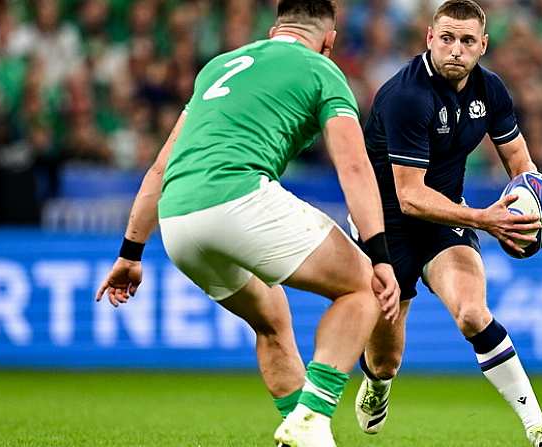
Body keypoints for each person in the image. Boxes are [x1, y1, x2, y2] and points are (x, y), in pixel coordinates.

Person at [94, 1, 400, 446]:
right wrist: (381, 254)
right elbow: (353, 168)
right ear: (329, 40)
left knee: (271, 318)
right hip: (236, 197)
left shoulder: (218, 67)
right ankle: (314, 415)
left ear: (275, 28)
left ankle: (304, 434)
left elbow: (161, 167)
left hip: (178, 220)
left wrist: (130, 252)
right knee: (362, 287)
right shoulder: (321, 69)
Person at [350, 1, 542, 446]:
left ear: (483, 45)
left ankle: (538, 428)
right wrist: (485, 219)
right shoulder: (404, 96)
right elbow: (410, 197)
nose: (457, 49)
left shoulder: (491, 91)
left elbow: (520, 162)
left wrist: (536, 203)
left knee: (473, 314)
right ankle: (377, 385)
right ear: (430, 38)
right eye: (448, 38)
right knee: (385, 361)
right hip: (386, 225)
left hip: (446, 219)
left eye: (468, 41)